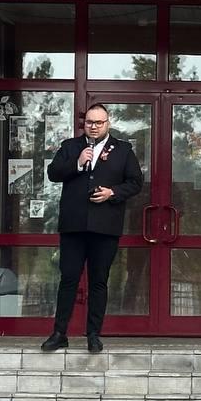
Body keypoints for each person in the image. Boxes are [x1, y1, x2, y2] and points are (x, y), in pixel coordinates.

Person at [41, 102, 143, 354]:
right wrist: (77, 163)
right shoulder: (70, 146)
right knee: (68, 279)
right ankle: (59, 333)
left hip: (105, 227)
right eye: (89, 122)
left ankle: (94, 335)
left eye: (98, 122)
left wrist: (112, 192)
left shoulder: (123, 150)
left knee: (99, 281)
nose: (94, 126)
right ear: (84, 123)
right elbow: (53, 173)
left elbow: (135, 182)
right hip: (73, 226)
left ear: (108, 123)